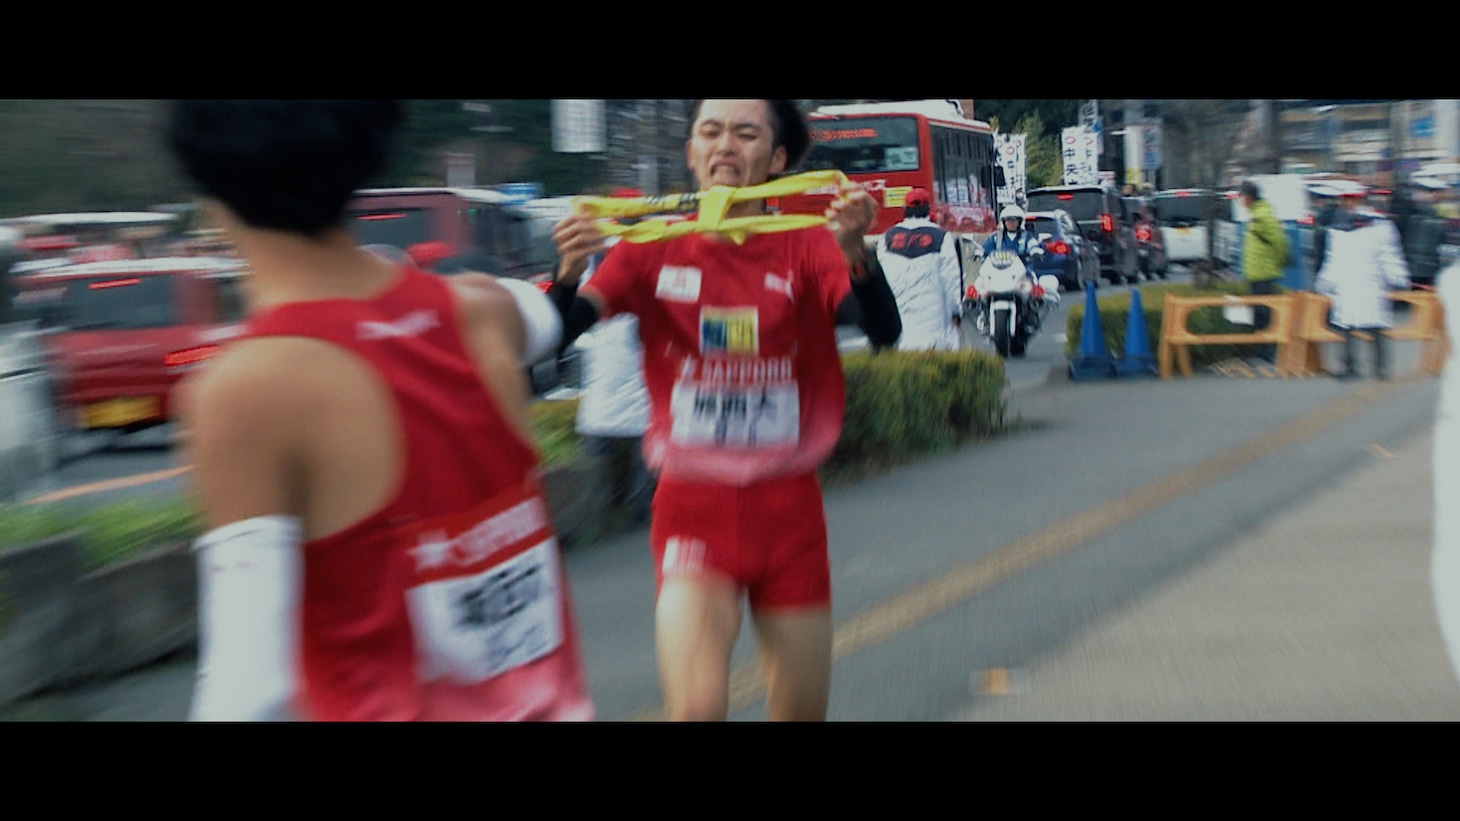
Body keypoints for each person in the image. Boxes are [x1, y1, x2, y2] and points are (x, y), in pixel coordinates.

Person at [169, 100, 593, 722]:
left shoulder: (247, 390)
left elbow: (248, 693)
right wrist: (576, 268)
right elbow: (554, 318)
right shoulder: (481, 310)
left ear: (209, 188)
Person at [549, 99, 902, 721]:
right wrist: (569, 275)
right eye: (710, 132)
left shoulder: (806, 245)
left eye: (746, 134)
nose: (725, 146)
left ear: (778, 158)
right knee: (698, 709)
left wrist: (858, 253)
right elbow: (555, 341)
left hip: (790, 518)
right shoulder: (650, 249)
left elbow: (882, 332)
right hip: (692, 514)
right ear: (691, 151)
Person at [574, 238, 655, 529]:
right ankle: (639, 511)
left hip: (602, 399)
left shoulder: (590, 287)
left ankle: (595, 515)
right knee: (645, 458)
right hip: (635, 399)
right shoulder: (642, 288)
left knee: (595, 462)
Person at [1313, 192, 1411, 380]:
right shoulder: (1339, 229)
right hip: (1347, 285)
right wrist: (1326, 281)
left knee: (1375, 327)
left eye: (1351, 199)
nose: (1347, 203)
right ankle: (1350, 366)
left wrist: (1397, 275)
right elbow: (1333, 259)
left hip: (1370, 284)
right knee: (1347, 327)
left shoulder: (1379, 225)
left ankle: (1381, 368)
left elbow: (1389, 254)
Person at [875, 187, 963, 351]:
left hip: (897, 321)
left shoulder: (887, 238)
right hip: (934, 322)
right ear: (928, 210)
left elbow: (878, 280)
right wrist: (956, 312)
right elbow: (951, 280)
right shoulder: (942, 237)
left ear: (905, 210)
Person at [1238, 180, 1287, 363]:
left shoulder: (1262, 215)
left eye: (1242, 196)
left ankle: (1268, 353)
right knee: (1259, 313)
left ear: (1249, 197)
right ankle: (1262, 352)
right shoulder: (1256, 214)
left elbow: (1280, 242)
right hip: (1257, 273)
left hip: (1263, 273)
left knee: (1264, 314)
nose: (1241, 201)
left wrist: (1278, 263)